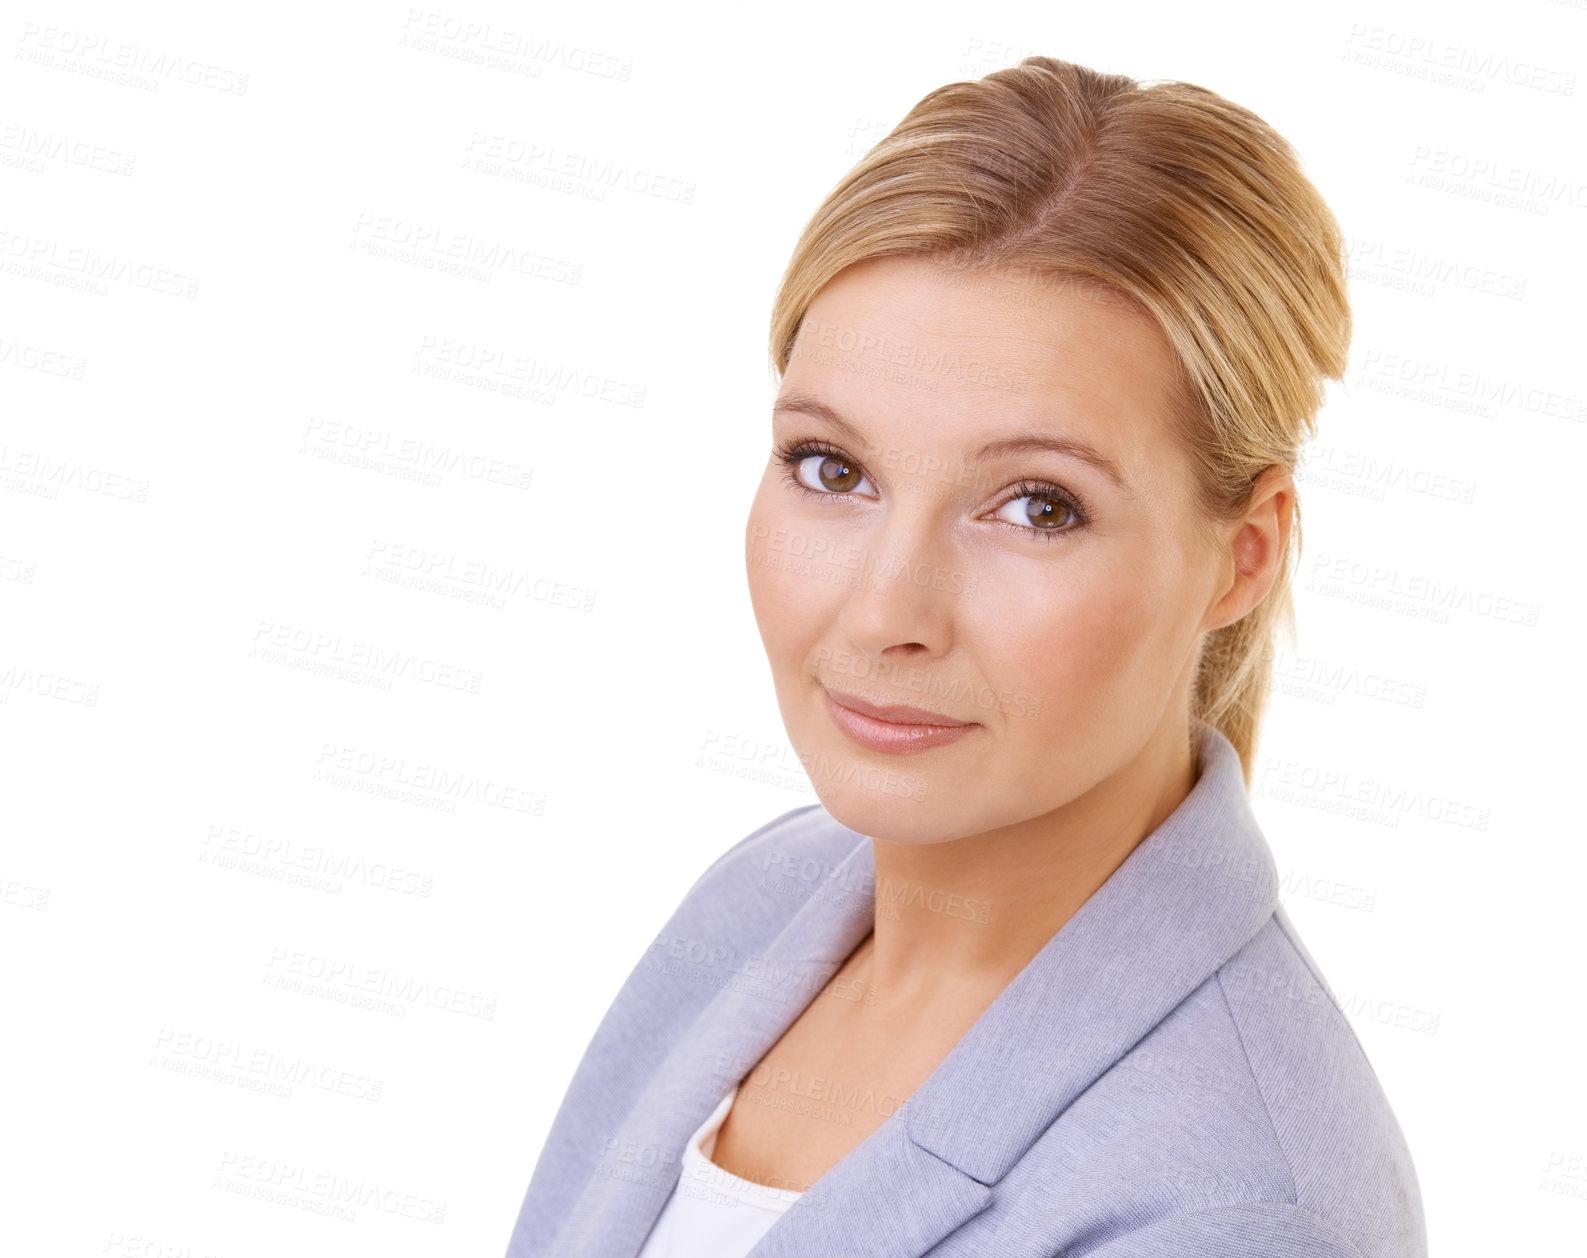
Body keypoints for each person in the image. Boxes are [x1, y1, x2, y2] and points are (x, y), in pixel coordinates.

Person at [505, 55, 1426, 1258]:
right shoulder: (761, 901)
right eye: (834, 470)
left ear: (1241, 558)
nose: (887, 610)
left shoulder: (1238, 1210)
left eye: (1038, 506)